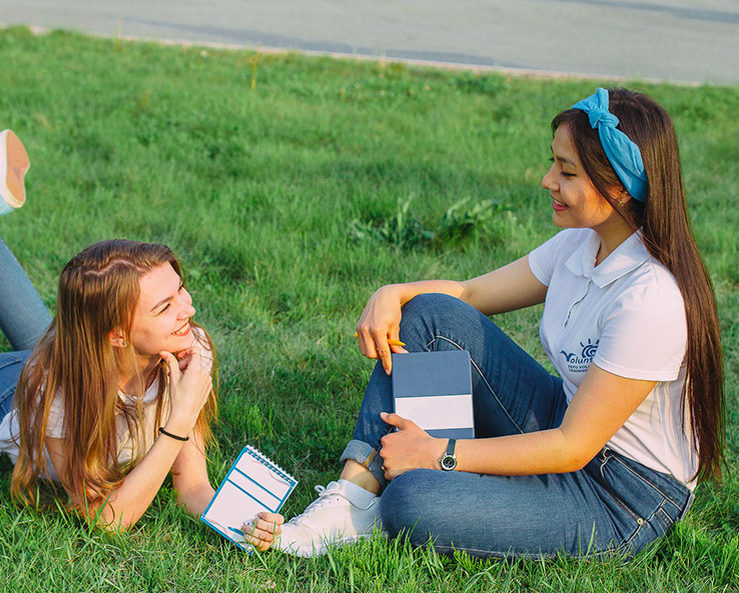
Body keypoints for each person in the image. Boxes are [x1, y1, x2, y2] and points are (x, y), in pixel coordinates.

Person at [274, 88, 724, 559]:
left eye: (566, 171)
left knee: (412, 501)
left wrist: (441, 453)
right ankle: (352, 502)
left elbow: (573, 447)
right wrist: (393, 293)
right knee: (431, 313)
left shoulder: (650, 300)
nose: (548, 180)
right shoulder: (582, 243)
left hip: (617, 495)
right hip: (562, 416)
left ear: (619, 187)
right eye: (553, 162)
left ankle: (421, 473)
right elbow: (469, 294)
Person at [0, 118, 283, 546]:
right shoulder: (58, 397)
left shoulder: (185, 346)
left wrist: (241, 519)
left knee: (64, 343)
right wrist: (179, 419)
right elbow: (107, 520)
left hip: (76, 359)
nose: (189, 309)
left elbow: (191, 485)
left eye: (180, 290)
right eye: (165, 306)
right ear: (116, 334)